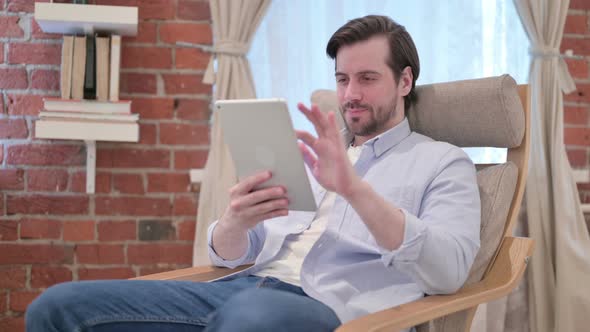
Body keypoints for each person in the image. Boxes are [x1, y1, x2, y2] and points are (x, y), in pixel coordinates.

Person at [26, 15, 480, 332]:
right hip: (241, 290)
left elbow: (449, 271)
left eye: (367, 78)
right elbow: (233, 255)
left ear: (404, 81)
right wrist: (236, 221)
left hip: (336, 309)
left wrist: (354, 189)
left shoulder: (442, 162)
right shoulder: (312, 151)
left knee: (252, 319)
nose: (350, 94)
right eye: (342, 80)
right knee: (56, 308)